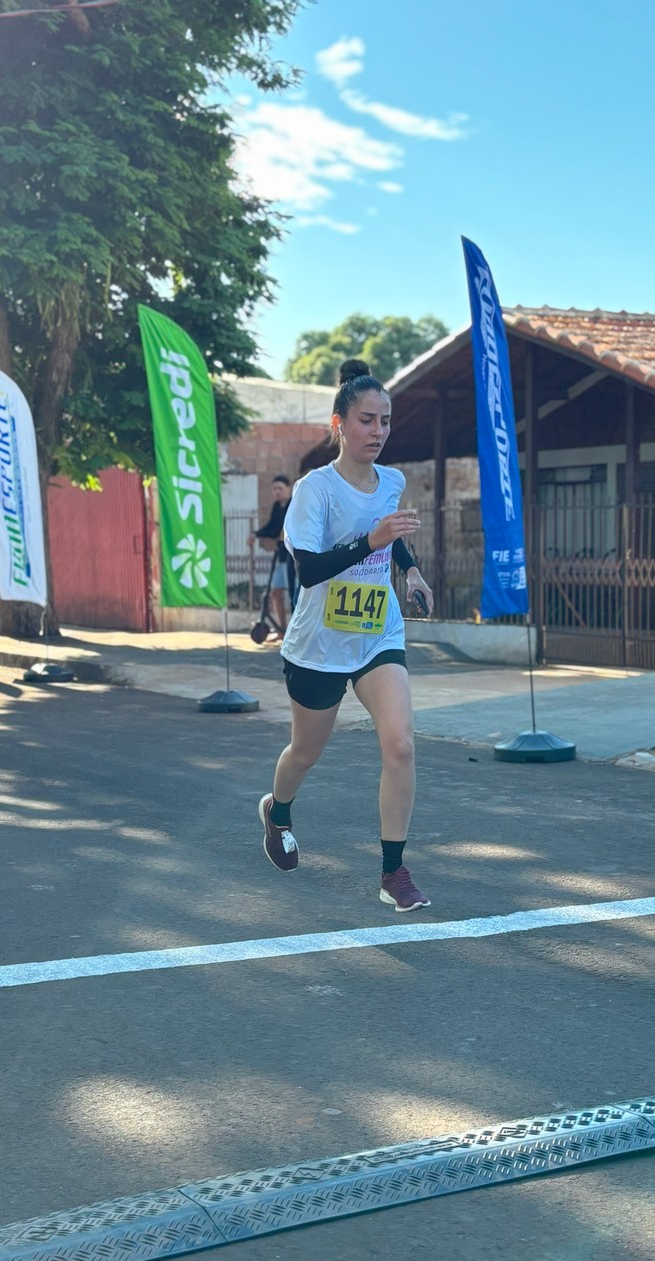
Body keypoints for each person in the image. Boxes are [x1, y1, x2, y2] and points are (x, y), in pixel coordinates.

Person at [257, 359, 435, 912]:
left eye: (385, 421)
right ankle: (278, 811)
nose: (378, 432)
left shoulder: (394, 481)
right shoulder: (316, 490)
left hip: (377, 632)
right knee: (305, 753)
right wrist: (372, 540)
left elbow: (392, 537)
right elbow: (309, 569)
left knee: (401, 744)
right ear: (339, 424)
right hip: (319, 643)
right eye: (366, 420)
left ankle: (393, 872)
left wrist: (410, 569)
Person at [247, 474, 296, 639]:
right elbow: (273, 528)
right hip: (281, 556)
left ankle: (296, 633)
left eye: (280, 488)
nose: (277, 492)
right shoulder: (277, 506)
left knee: (294, 596)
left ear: (288, 489)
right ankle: (282, 630)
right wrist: (256, 534)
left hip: (294, 559)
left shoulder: (294, 504)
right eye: (274, 489)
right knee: (275, 592)